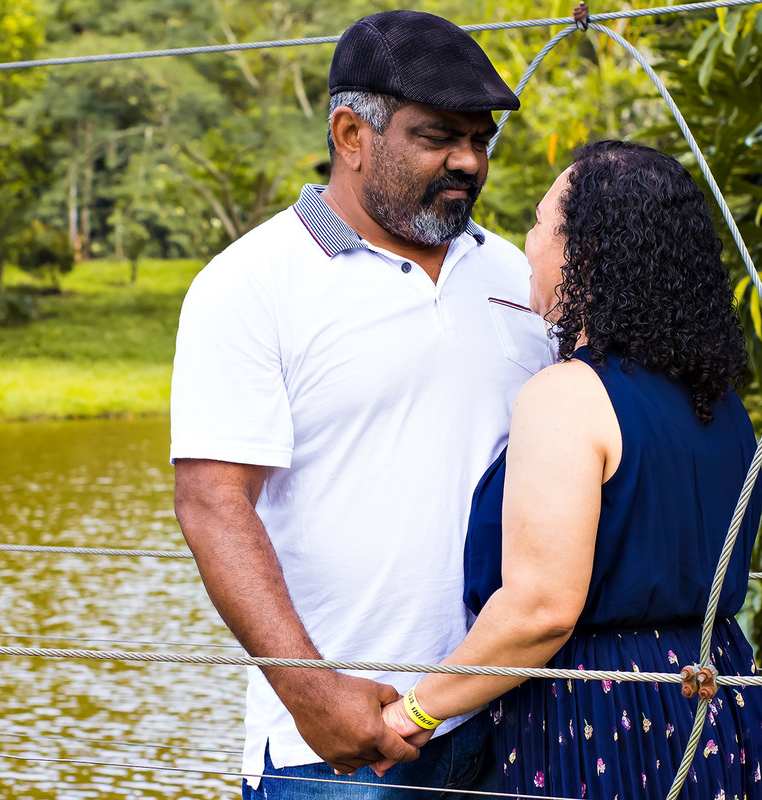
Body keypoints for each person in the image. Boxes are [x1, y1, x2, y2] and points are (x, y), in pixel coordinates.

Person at [170, 10, 555, 798]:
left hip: (510, 720)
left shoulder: (517, 275)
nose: (468, 161)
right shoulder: (249, 283)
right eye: (437, 137)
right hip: (341, 743)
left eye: (479, 140)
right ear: (351, 134)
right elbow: (212, 501)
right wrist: (310, 692)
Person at [373, 140, 762, 800]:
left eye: (538, 223)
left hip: (604, 712)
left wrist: (413, 712)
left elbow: (540, 608)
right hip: (713, 693)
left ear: (583, 252)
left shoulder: (567, 395)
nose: (526, 244)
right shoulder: (718, 399)